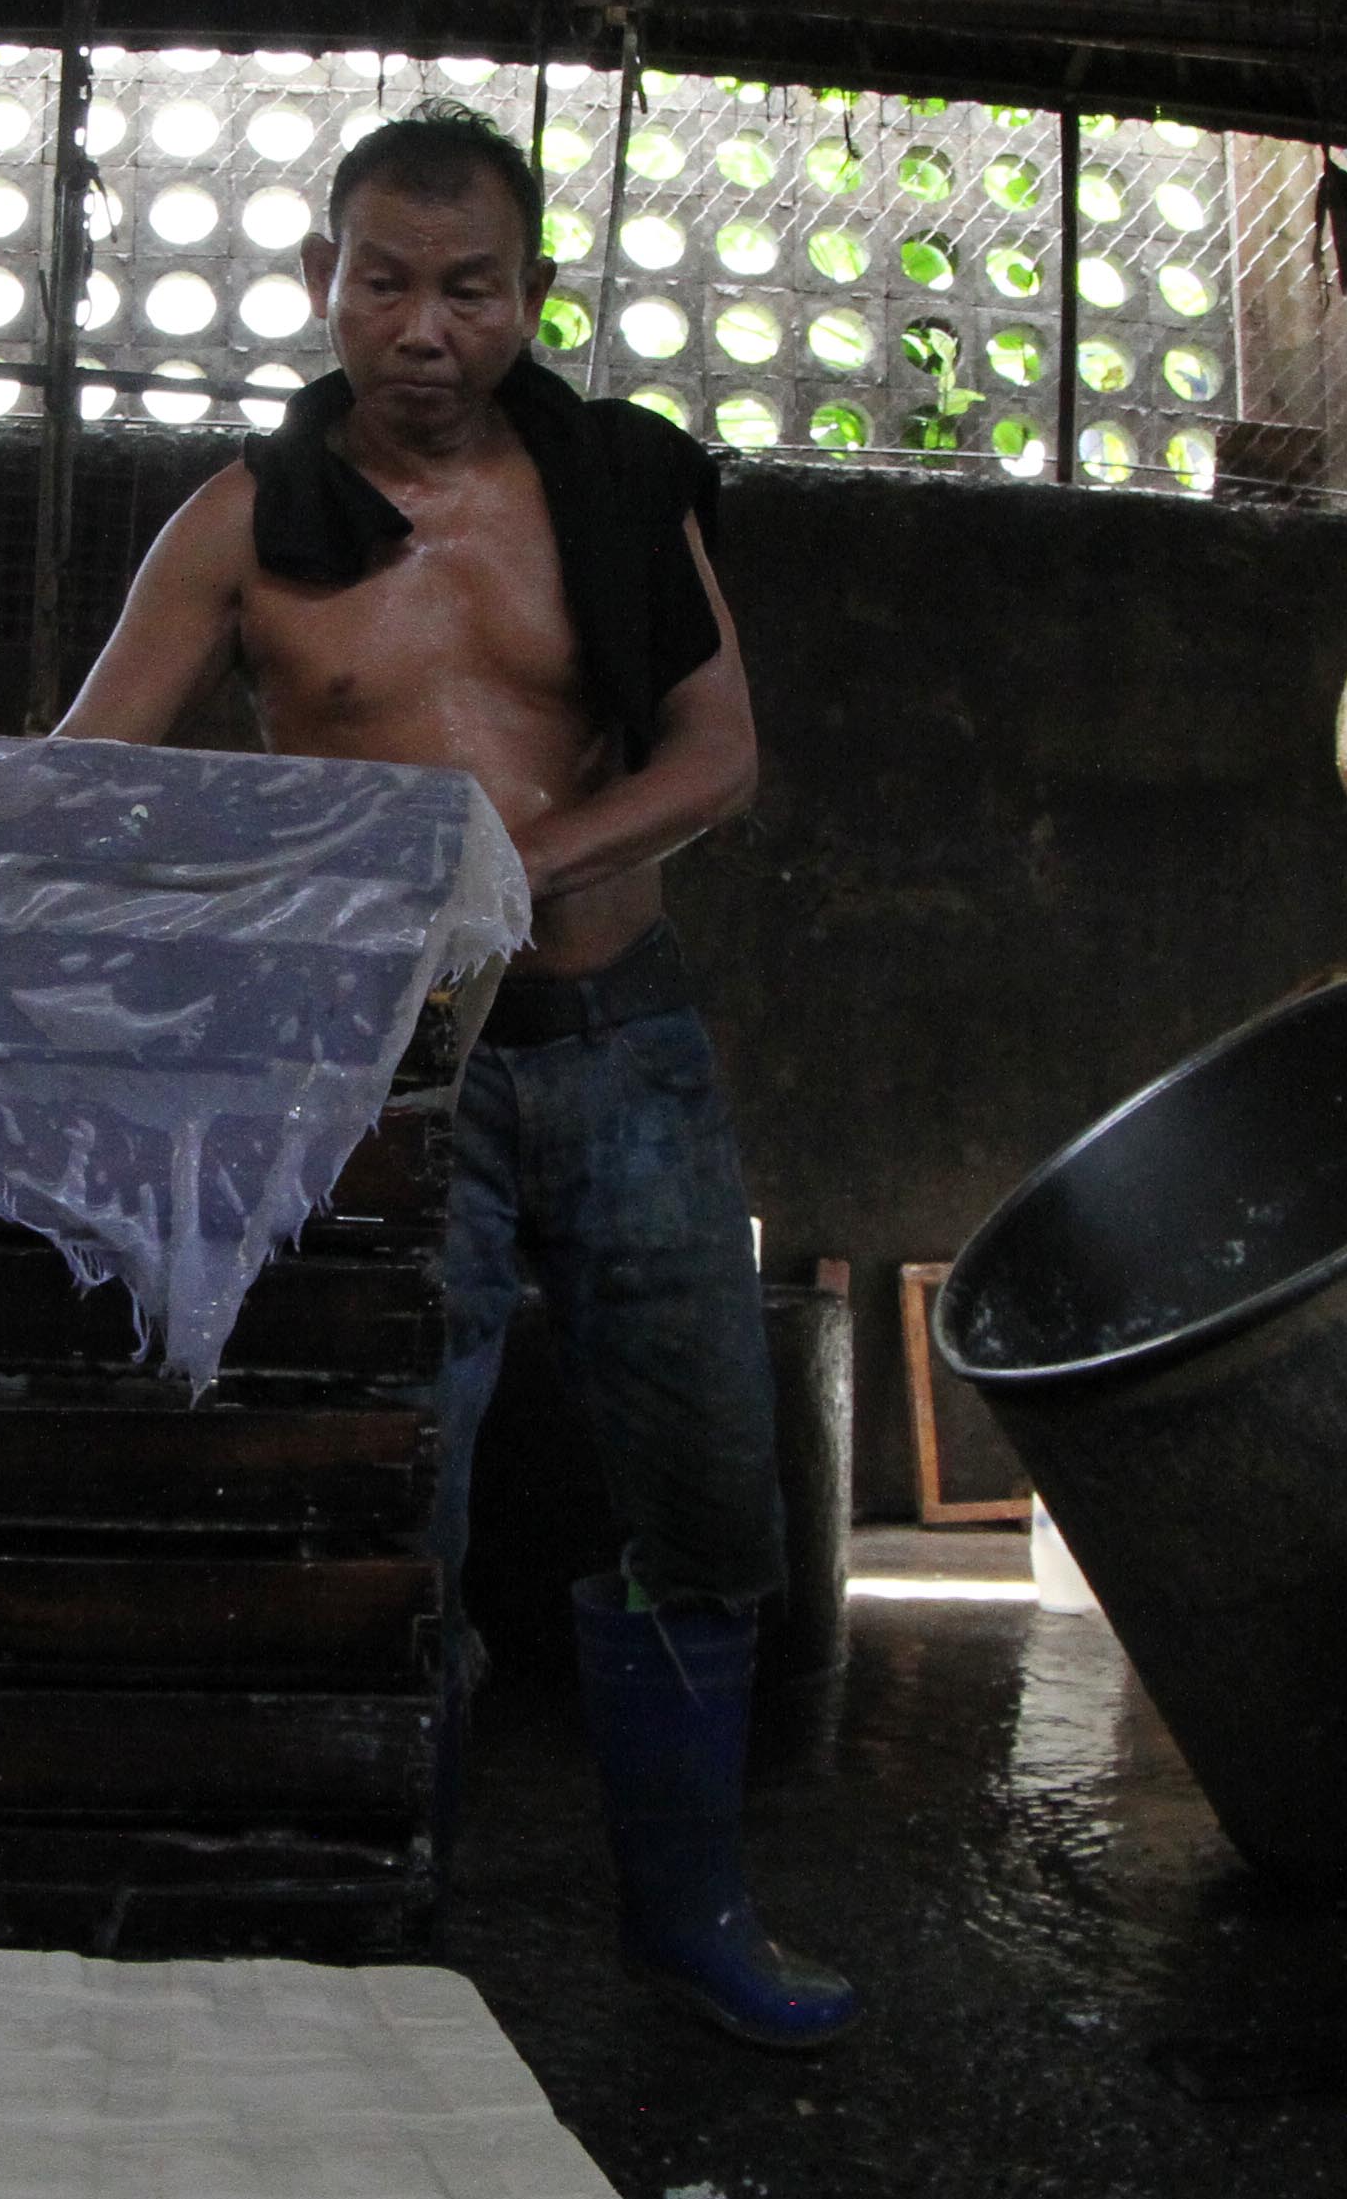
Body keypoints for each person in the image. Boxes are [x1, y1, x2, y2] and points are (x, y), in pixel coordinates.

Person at [57, 102, 855, 2051]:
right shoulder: (242, 523)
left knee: (701, 1481)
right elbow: (89, 774)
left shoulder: (614, 479)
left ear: (527, 297)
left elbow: (716, 755)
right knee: (385, 1485)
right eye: (386, 283)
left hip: (622, 1043)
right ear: (324, 288)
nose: (426, 330)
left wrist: (502, 862)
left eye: (469, 288)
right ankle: (381, 1940)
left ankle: (691, 1916)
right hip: (387, 1082)